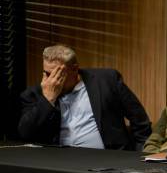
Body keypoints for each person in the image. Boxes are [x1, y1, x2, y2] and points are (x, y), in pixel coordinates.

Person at [18, 44, 151, 150]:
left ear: (74, 69)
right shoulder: (34, 94)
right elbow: (26, 133)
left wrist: (140, 153)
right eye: (47, 73)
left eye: (58, 75)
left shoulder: (107, 80)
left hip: (107, 158)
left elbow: (140, 120)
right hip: (58, 162)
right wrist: (48, 99)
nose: (51, 80)